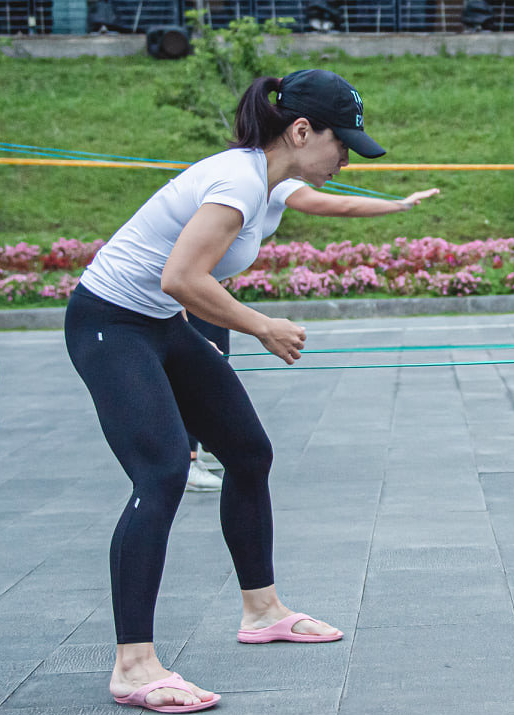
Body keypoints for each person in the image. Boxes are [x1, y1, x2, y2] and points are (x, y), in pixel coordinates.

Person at [65, 68, 385, 713]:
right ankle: (133, 666)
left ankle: (262, 610)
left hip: (159, 323)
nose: (346, 158)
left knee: (247, 454)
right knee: (160, 476)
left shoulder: (271, 182)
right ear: (300, 131)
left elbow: (181, 286)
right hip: (109, 324)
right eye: (341, 142)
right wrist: (262, 325)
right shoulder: (238, 180)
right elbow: (183, 275)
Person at [181, 176, 440, 494]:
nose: (338, 165)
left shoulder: (264, 176)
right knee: (196, 367)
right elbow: (339, 204)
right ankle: (187, 458)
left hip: (204, 282)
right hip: (186, 284)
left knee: (214, 362)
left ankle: (206, 441)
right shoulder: (271, 177)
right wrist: (401, 204)